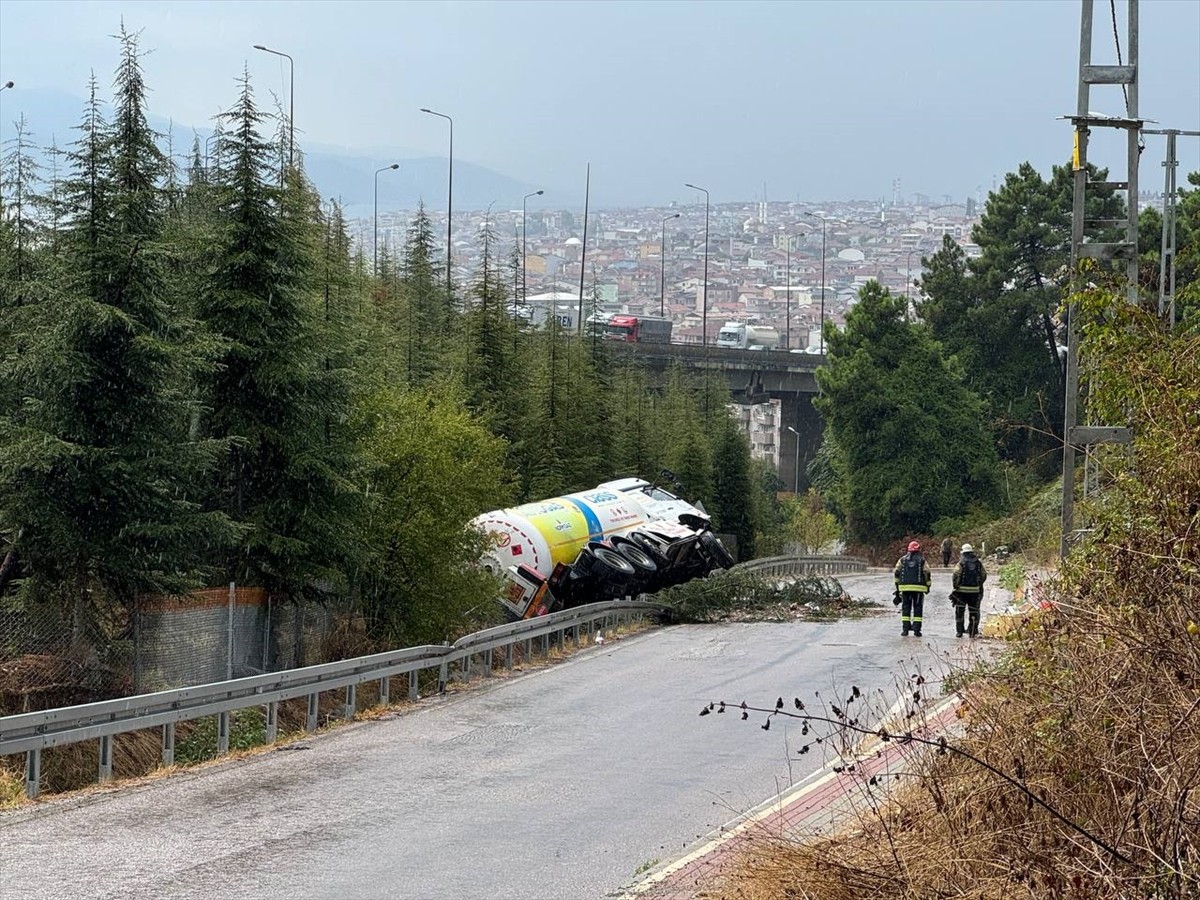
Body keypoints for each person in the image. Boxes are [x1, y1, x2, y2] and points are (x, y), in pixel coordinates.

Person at [893, 540, 931, 637]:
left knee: (906, 608)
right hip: (919, 589)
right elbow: (927, 573)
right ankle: (916, 631)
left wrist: (897, 587)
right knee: (917, 609)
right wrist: (928, 586)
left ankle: (905, 630)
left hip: (905, 589)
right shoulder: (922, 560)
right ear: (918, 550)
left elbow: (897, 572)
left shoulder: (902, 560)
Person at [951, 543, 987, 638]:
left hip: (961, 592)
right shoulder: (978, 563)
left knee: (960, 611)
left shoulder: (961, 563)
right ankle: (972, 630)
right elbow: (984, 575)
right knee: (974, 611)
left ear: (963, 553)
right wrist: (978, 584)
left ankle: (959, 631)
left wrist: (956, 587)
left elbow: (956, 575)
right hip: (975, 592)